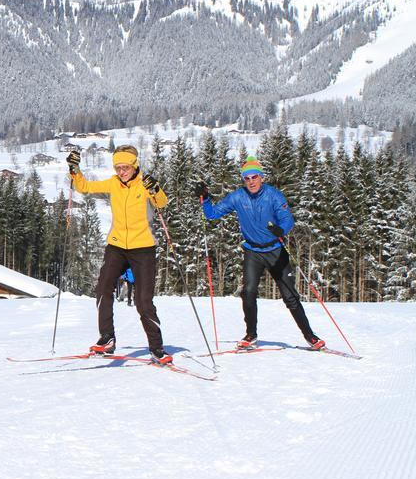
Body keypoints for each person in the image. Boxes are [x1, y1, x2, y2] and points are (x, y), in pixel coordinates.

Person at [195, 156, 325, 351]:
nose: (251, 182)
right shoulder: (238, 197)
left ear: (262, 177)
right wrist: (205, 199)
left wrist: (282, 230)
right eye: (246, 178)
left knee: (290, 296)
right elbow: (212, 214)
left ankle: (310, 336)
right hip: (253, 251)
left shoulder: (274, 195)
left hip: (275, 250)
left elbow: (288, 220)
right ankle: (251, 335)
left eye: (254, 177)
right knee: (248, 292)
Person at [65, 145, 173, 365]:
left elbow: (162, 203)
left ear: (134, 166)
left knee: (144, 301)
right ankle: (107, 339)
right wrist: (74, 169)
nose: (121, 171)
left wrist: (156, 189)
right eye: (118, 167)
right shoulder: (114, 184)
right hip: (116, 245)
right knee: (103, 288)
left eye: (125, 167)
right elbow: (84, 187)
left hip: (143, 247)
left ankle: (157, 348)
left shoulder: (145, 184)